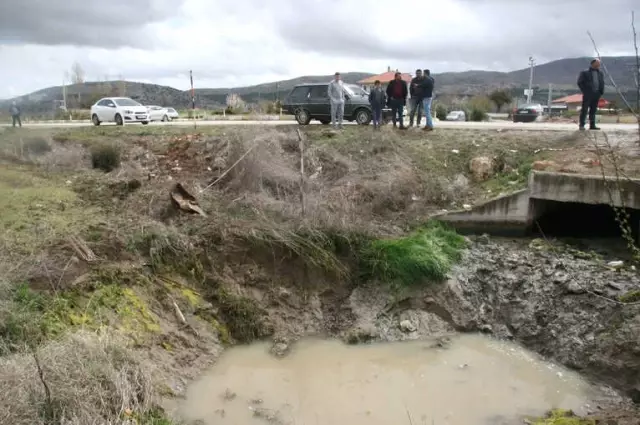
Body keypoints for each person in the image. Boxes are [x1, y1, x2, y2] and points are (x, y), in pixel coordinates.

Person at [577, 59, 605, 130]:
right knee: (585, 109)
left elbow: (602, 82)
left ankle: (592, 125)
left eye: (599, 63)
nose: (599, 64)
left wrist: (601, 92)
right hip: (588, 94)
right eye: (597, 63)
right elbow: (580, 82)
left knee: (593, 110)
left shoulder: (600, 73)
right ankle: (582, 125)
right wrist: (585, 91)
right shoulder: (585, 72)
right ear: (593, 63)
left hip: (597, 94)